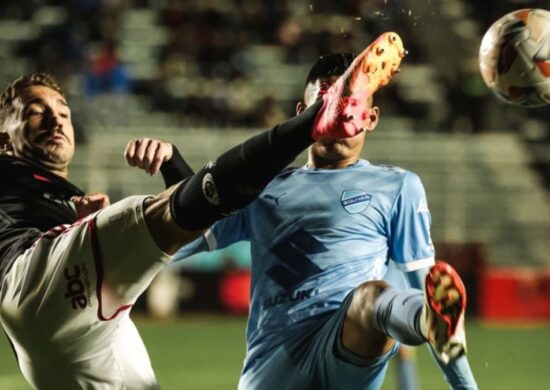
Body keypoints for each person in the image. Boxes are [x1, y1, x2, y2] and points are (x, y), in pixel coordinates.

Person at [0, 32, 404, 389]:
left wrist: (171, 166)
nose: (56, 119)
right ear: (4, 139)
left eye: (64, 112)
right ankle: (318, 118)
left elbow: (197, 218)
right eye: (35, 111)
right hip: (32, 275)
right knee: (150, 214)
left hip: (69, 333)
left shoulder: (55, 196)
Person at [170, 51, 479, 389]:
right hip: (273, 367)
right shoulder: (260, 189)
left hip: (349, 349)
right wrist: (164, 177)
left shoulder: (398, 187)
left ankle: (416, 321)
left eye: (351, 106)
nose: (338, 118)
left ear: (371, 118)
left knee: (371, 297)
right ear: (303, 117)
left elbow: (432, 299)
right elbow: (175, 241)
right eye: (326, 105)